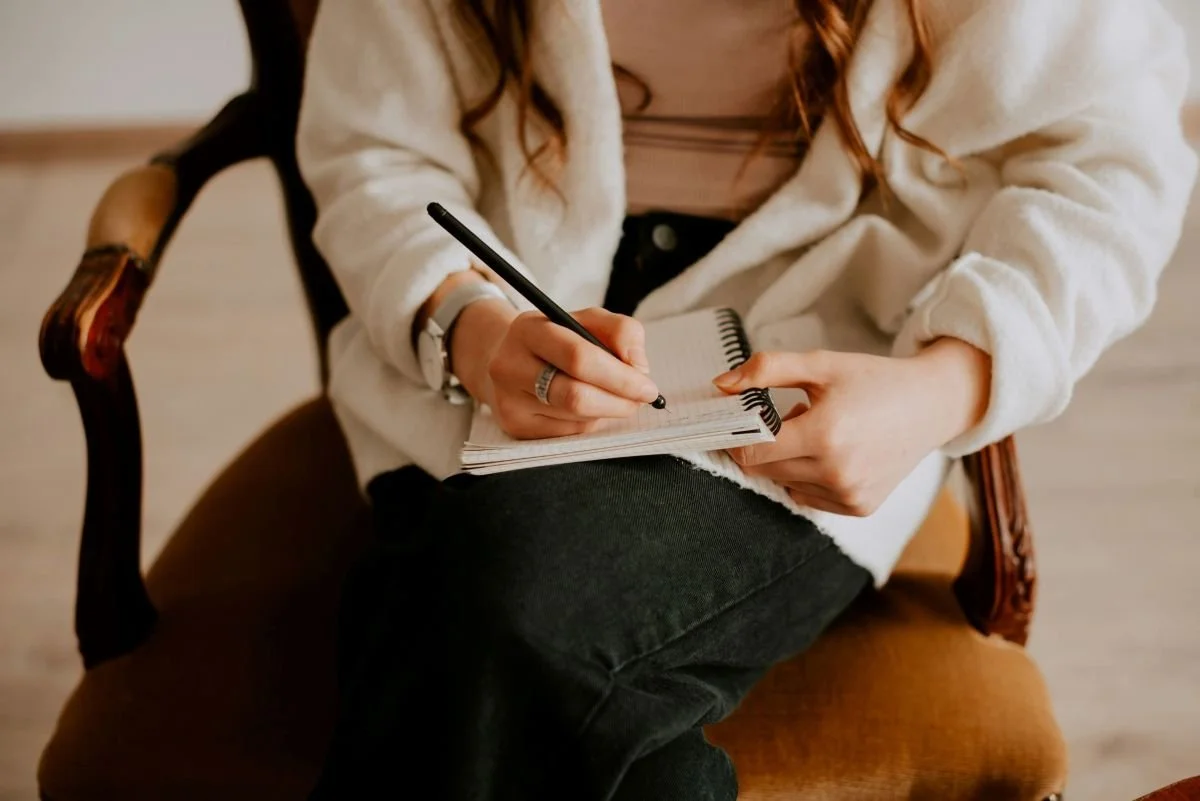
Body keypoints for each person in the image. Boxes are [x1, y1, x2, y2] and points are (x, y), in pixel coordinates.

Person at [295, 0, 1196, 797]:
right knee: (523, 663)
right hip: (497, 325)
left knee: (502, 596)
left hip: (807, 364)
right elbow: (375, 154)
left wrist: (940, 388)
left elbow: (1112, 165)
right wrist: (468, 321)